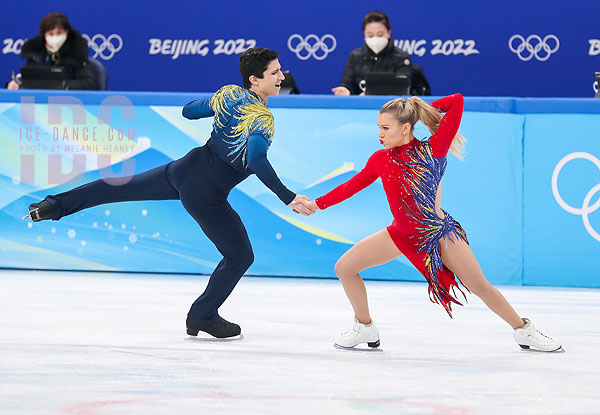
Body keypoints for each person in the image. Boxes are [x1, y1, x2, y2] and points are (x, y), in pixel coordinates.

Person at [24, 47, 315, 338]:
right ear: (255, 79)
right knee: (240, 257)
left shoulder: (229, 95)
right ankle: (202, 315)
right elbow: (256, 160)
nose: (282, 76)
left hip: (184, 169)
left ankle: (53, 206)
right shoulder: (262, 119)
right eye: (275, 72)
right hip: (206, 193)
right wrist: (288, 196)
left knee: (115, 189)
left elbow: (189, 111)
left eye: (280, 70)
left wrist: (217, 103)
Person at [308, 93, 562, 352]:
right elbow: (351, 186)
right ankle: (364, 327)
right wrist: (317, 204)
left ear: (405, 128)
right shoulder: (379, 160)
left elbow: (457, 101)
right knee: (345, 267)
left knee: (479, 286)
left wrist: (416, 109)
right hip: (401, 234)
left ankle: (523, 331)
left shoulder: (433, 149)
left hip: (436, 235)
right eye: (379, 128)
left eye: (385, 128)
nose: (380, 134)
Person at [331, 11, 430, 97]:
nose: (375, 38)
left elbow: (402, 89)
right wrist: (345, 89)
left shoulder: (401, 57)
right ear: (364, 34)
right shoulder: (355, 56)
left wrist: (371, 93)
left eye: (380, 34)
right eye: (370, 35)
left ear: (389, 31)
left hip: (392, 110)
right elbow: (347, 83)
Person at [6, 12, 97, 90]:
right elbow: (28, 78)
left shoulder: (76, 53)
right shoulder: (35, 53)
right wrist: (16, 84)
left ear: (67, 32)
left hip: (68, 103)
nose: (55, 37)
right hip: (39, 104)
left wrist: (62, 86)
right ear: (44, 34)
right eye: (51, 34)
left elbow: (88, 83)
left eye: (59, 33)